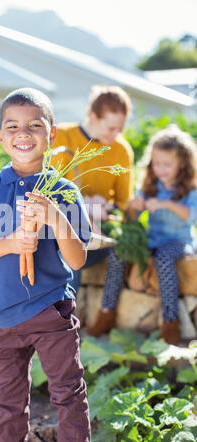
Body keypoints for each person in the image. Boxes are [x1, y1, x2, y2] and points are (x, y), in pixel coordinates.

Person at [0, 88, 92, 442]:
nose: (24, 133)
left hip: (50, 312)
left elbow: (78, 259)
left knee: (68, 394)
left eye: (35, 125)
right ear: (0, 136)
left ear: (52, 135)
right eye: (13, 126)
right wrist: (11, 244)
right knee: (9, 403)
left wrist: (57, 218)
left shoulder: (63, 190)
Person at [87, 125, 197, 345]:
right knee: (118, 254)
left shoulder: (189, 188)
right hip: (152, 239)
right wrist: (134, 208)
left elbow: (190, 215)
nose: (161, 169)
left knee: (164, 258)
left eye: (167, 164)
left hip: (178, 242)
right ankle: (106, 312)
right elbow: (132, 218)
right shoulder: (151, 185)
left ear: (182, 163)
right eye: (157, 164)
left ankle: (170, 321)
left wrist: (167, 204)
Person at [51, 84, 134, 295]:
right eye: (111, 128)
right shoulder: (61, 137)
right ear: (93, 117)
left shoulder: (121, 150)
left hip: (96, 228)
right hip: (57, 224)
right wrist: (81, 204)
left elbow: (124, 201)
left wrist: (107, 208)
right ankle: (61, 320)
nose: (116, 135)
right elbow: (43, 185)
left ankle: (69, 320)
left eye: (120, 129)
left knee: (73, 249)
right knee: (65, 246)